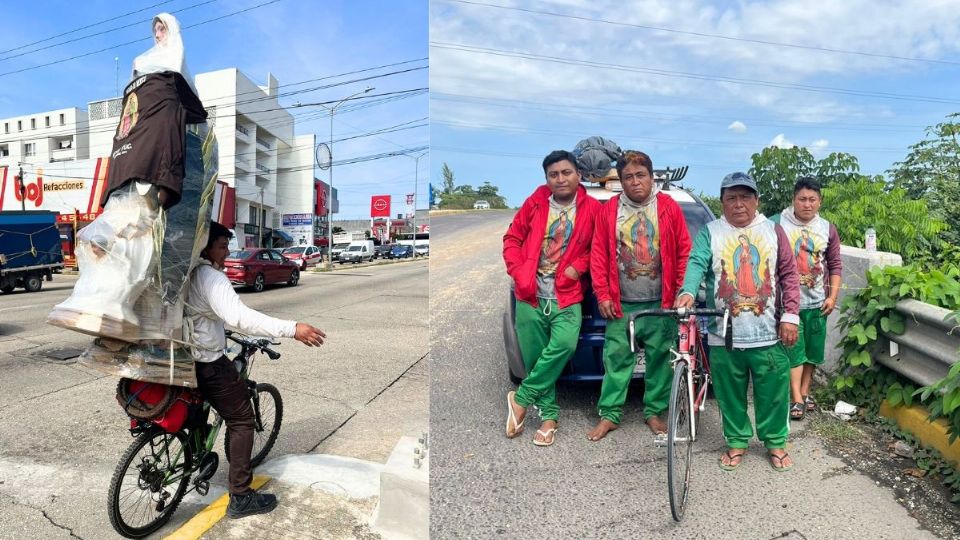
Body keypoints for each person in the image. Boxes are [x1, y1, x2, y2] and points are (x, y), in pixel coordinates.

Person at [186, 221, 326, 518]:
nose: (227, 253)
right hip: (208, 362)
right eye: (222, 247)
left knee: (198, 411)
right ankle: (241, 496)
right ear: (205, 248)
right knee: (242, 420)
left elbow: (202, 315)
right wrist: (292, 328)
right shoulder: (212, 277)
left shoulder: (188, 272)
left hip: (184, 359)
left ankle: (195, 458)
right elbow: (240, 317)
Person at [675, 172, 800, 472]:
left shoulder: (773, 231)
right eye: (731, 198)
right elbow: (696, 262)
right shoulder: (710, 232)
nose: (739, 204)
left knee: (773, 391)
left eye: (745, 197)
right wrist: (688, 291)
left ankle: (775, 442)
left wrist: (791, 316)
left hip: (768, 332)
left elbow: (789, 274)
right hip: (724, 333)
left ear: (756, 201)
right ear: (722, 202)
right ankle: (736, 441)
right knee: (729, 393)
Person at [586, 151, 690, 441]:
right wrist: (603, 294)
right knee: (616, 359)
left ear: (651, 177)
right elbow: (598, 255)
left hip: (662, 303)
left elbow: (684, 250)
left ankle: (654, 412)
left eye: (640, 175)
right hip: (621, 304)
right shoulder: (609, 210)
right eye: (628, 177)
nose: (635, 182)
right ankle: (610, 414)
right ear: (621, 181)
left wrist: (680, 290)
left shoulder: (668, 207)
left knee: (660, 360)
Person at [502, 150, 600, 446]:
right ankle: (549, 417)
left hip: (567, 295)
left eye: (566, 172)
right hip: (530, 294)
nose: (560, 179)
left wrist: (577, 268)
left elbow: (598, 248)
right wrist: (519, 272)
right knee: (535, 357)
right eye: (553, 174)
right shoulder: (535, 202)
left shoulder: (592, 209)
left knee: (564, 345)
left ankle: (521, 398)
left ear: (578, 175)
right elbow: (512, 239)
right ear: (547, 178)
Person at [771, 177, 842, 420]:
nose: (807, 204)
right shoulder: (777, 224)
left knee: (812, 352)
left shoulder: (827, 228)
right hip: (788, 304)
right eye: (802, 199)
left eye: (812, 200)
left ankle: (804, 391)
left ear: (820, 202)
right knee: (794, 351)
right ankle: (796, 398)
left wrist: (832, 297)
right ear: (793, 200)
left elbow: (835, 264)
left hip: (817, 302)